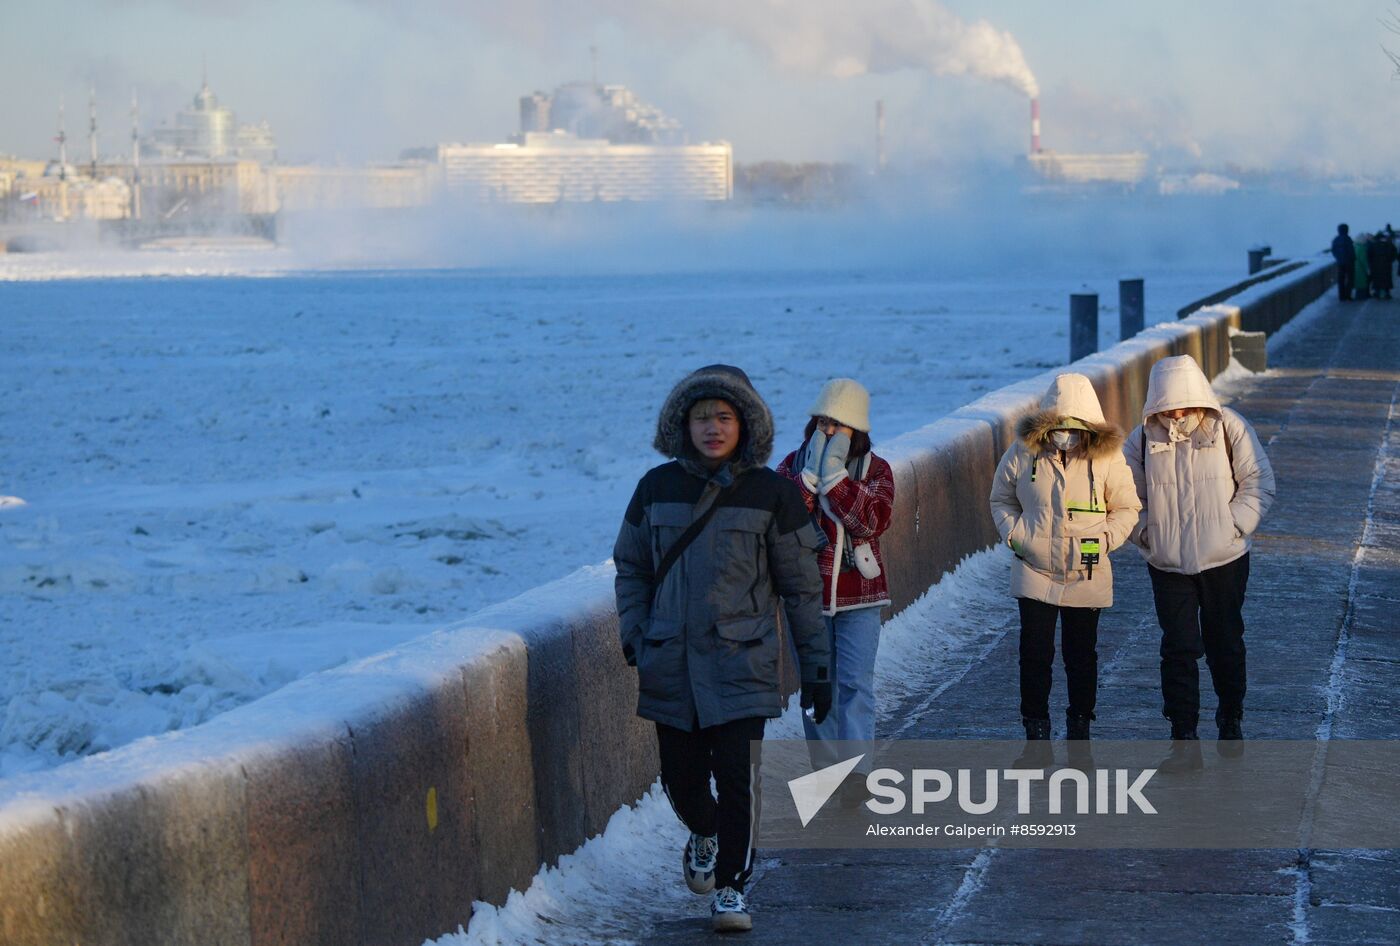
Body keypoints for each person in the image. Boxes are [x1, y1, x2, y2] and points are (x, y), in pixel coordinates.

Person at [613, 364, 830, 933]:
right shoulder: (654, 489)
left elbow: (801, 588)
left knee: (738, 776)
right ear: (682, 424)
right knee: (681, 780)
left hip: (742, 662)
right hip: (671, 664)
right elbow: (631, 566)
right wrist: (637, 633)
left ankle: (732, 886)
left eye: (724, 417)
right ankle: (704, 831)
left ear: (745, 425)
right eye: (701, 416)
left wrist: (818, 668)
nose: (712, 427)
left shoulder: (772, 494)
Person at [1123, 356, 1275, 761]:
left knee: (1225, 641)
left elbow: (1259, 482)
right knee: (1178, 647)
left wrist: (1233, 526)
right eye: (1167, 404)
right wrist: (1146, 534)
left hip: (1224, 559)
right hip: (1168, 563)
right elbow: (1123, 498)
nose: (1175, 412)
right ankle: (1183, 735)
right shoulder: (1140, 440)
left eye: (1183, 402)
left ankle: (1230, 715)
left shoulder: (1230, 427)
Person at [989, 373, 1141, 758]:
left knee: (1081, 656)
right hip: (1034, 567)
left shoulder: (1107, 458)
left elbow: (1127, 507)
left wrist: (1105, 540)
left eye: (1075, 427)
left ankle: (1079, 735)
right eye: (1060, 426)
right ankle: (1036, 739)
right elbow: (1000, 498)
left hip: (1087, 569)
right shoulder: (1023, 453)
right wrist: (1017, 537)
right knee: (1034, 654)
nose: (1067, 435)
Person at [776, 378, 895, 805]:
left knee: (856, 683)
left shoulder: (876, 470)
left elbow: (871, 523)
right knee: (815, 683)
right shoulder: (791, 465)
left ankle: (858, 772)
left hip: (860, 594)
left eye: (839, 425)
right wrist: (810, 479)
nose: (828, 431)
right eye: (823, 421)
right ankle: (825, 771)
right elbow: (783, 522)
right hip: (808, 595)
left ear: (857, 429)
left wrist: (836, 478)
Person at [1368, 230, 1397, 299]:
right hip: (1387, 265)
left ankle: (1377, 293)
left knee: (1377, 279)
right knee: (1387, 278)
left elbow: (1369, 255)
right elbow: (1394, 254)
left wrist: (1371, 263)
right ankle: (1387, 293)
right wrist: (1390, 260)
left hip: (1375, 266)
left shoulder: (1373, 245)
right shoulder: (1389, 244)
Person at [1332, 224, 1355, 301]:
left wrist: (1338, 258)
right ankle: (1348, 295)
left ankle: (1341, 296)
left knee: (1341, 280)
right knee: (1350, 279)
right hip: (1349, 263)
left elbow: (1333, 251)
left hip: (1340, 263)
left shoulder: (1335, 240)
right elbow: (1351, 251)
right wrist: (1353, 259)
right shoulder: (1348, 239)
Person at [1354, 233, 1372, 301]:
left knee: (1358, 283)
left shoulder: (1355, 247)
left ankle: (1358, 296)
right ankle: (1361, 296)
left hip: (1356, 268)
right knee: (1362, 283)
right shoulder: (1362, 248)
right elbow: (1363, 260)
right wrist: (1367, 269)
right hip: (1361, 269)